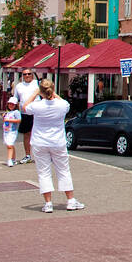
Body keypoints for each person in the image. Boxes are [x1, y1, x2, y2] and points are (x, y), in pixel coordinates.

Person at [18, 78, 83, 212]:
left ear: (41, 92)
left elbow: (24, 107)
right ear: (52, 90)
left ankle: (48, 203)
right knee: (64, 170)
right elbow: (64, 102)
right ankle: (70, 200)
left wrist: (36, 93)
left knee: (44, 173)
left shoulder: (37, 106)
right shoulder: (61, 105)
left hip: (39, 142)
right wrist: (52, 93)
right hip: (58, 142)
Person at [12, 69, 39, 164]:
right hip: (25, 113)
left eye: (29, 74)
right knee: (26, 134)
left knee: (38, 134)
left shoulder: (37, 83)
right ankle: (28, 155)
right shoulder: (19, 86)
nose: (27, 75)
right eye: (25, 74)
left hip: (37, 113)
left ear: (32, 75)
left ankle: (41, 156)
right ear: (22, 76)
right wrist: (10, 112)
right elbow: (15, 99)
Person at [2, 99, 22, 168]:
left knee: (9, 145)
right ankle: (13, 159)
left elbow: (19, 120)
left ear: (16, 105)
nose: (11, 105)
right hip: (6, 131)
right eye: (9, 104)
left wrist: (8, 120)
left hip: (12, 131)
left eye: (12, 104)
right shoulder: (8, 112)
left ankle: (9, 160)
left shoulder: (16, 112)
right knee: (10, 145)